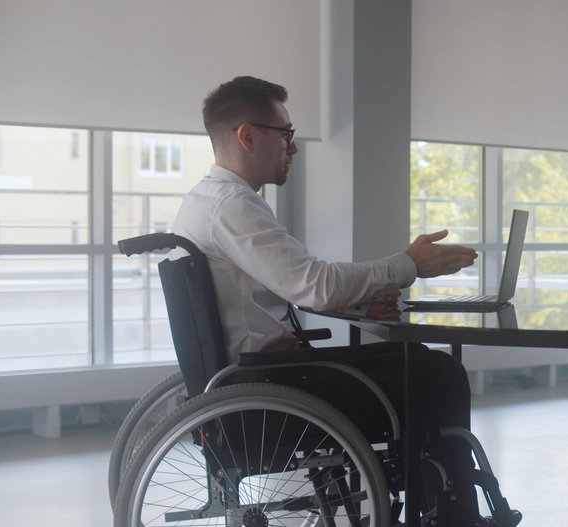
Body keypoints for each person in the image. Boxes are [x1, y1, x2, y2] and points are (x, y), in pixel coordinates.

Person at [172, 76, 509, 526]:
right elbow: (315, 283)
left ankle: (436, 499)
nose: (293, 146)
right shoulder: (232, 206)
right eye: (285, 133)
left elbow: (286, 286)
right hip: (272, 390)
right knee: (437, 373)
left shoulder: (206, 202)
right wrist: (408, 263)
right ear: (247, 136)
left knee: (411, 362)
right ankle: (455, 514)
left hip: (250, 381)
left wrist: (358, 307)